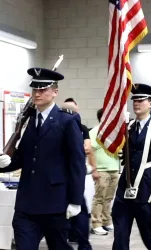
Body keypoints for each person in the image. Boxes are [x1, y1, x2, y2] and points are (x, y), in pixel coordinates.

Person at [0, 68, 86, 250]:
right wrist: (4, 164)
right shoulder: (28, 120)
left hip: (55, 203)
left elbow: (76, 163)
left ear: (55, 92)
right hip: (27, 203)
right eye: (34, 89)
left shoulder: (67, 121)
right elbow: (23, 157)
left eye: (42, 89)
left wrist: (75, 200)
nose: (37, 93)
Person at [112, 83, 151, 250]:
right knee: (120, 234)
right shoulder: (128, 126)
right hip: (125, 187)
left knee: (148, 233)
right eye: (135, 100)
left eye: (141, 100)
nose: (136, 103)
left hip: (147, 186)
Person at [61, 98, 98, 250]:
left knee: (78, 209)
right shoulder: (79, 127)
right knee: (79, 209)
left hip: (70, 172)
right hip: (73, 172)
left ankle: (79, 242)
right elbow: (86, 149)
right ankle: (82, 243)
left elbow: (87, 149)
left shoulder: (78, 127)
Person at [89, 108, 120, 235]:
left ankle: (107, 221)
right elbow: (90, 151)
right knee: (99, 198)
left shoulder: (114, 133)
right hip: (101, 170)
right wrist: (94, 169)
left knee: (109, 198)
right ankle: (96, 223)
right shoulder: (94, 132)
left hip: (114, 168)